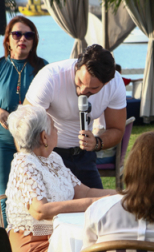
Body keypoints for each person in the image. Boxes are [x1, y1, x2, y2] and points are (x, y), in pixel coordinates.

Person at [5, 105, 115, 252]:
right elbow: (40, 210)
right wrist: (94, 203)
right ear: (44, 137)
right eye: (54, 127)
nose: (57, 131)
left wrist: (122, 194)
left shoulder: (53, 158)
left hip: (58, 237)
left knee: (102, 245)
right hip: (33, 245)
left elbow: (84, 192)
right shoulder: (24, 163)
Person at [24, 44, 127, 189]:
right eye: (80, 82)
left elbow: (117, 129)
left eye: (93, 88)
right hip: (49, 154)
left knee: (96, 202)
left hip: (85, 157)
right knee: (57, 202)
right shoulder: (51, 77)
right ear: (77, 66)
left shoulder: (115, 83)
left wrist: (97, 142)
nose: (83, 91)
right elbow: (25, 126)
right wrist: (30, 165)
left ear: (107, 83)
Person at [0, 16, 47, 222]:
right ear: (8, 39)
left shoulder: (43, 68)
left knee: (34, 195)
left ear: (34, 41)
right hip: (1, 141)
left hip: (33, 141)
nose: (22, 39)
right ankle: (7, 237)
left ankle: (30, 236)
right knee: (5, 196)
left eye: (29, 35)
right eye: (17, 34)